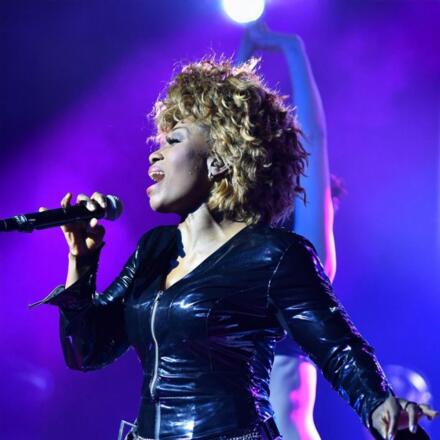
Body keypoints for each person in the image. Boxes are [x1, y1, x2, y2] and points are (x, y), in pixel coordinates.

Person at [34, 57, 437, 440]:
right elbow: (86, 351)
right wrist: (82, 261)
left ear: (219, 161)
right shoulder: (154, 249)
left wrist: (377, 403)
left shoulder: (273, 255)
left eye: (174, 140)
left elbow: (338, 348)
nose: (155, 152)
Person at [236, 23, 335, 440]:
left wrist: (292, 49)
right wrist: (240, 65)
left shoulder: (307, 260)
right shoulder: (232, 258)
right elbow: (224, 138)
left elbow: (314, 139)